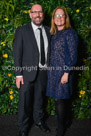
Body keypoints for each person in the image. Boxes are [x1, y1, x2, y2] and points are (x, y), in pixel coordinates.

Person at [13, 4, 51, 136]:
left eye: (40, 12)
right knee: (24, 102)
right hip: (26, 73)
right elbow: (17, 54)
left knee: (40, 99)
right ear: (30, 14)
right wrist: (18, 74)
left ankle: (39, 121)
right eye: (34, 12)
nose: (37, 15)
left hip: (44, 72)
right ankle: (23, 127)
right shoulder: (22, 30)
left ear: (43, 14)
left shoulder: (48, 30)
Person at [46, 7, 78, 136]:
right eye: (56, 16)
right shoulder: (53, 34)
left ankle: (61, 128)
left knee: (60, 99)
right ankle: (66, 121)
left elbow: (73, 55)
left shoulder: (70, 33)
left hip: (64, 72)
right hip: (54, 72)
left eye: (62, 15)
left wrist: (66, 72)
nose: (59, 18)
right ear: (53, 19)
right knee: (58, 99)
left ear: (66, 18)